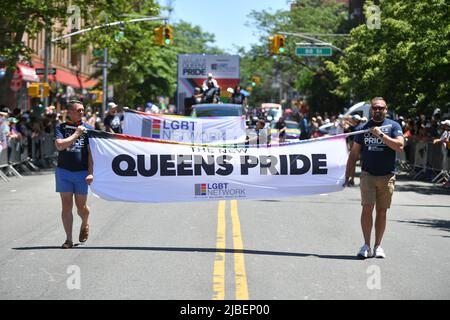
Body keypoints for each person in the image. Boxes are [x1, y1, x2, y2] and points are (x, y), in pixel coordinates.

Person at [344, 97, 404, 259]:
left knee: (382, 211)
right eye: (375, 108)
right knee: (367, 208)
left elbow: (399, 146)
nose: (378, 111)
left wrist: (381, 136)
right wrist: (348, 175)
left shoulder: (394, 125)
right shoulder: (364, 127)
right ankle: (366, 245)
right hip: (368, 174)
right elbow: (354, 153)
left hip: (387, 175)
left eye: (381, 108)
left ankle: (378, 246)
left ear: (386, 109)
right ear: (371, 110)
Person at [54, 100, 94, 249]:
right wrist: (77, 134)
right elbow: (60, 145)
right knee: (66, 206)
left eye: (83, 110)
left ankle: (85, 222)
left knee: (81, 207)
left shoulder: (88, 129)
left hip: (81, 173)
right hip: (63, 171)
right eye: (78, 110)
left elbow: (91, 154)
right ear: (69, 112)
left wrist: (91, 173)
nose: (82, 113)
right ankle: (68, 239)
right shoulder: (61, 128)